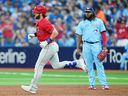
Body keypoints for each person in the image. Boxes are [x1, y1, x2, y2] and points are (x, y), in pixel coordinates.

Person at [21, 5, 87, 94]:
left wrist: (46, 42)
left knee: (39, 66)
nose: (34, 13)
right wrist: (34, 35)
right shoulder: (40, 22)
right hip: (52, 46)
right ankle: (77, 63)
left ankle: (33, 87)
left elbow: (55, 32)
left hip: (49, 46)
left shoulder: (44, 22)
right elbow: (42, 31)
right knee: (56, 65)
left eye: (36, 12)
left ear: (40, 13)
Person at [76, 7, 109, 90]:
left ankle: (104, 84)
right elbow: (79, 36)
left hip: (96, 44)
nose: (87, 13)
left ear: (93, 12)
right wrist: (78, 47)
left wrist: (104, 46)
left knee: (99, 64)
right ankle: (92, 84)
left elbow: (104, 34)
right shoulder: (82, 23)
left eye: (89, 12)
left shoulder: (99, 21)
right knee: (89, 65)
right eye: (86, 12)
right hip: (86, 45)